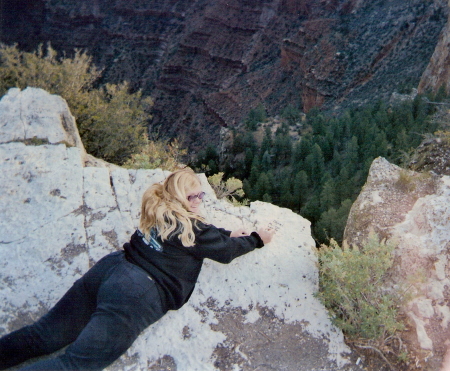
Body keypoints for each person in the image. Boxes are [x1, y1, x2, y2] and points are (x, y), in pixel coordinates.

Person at [0, 168, 274, 370]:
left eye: (200, 194)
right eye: (194, 196)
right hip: (136, 294)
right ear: (180, 197)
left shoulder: (159, 209)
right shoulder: (194, 228)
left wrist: (226, 233)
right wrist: (256, 240)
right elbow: (223, 251)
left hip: (112, 269)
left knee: (41, 335)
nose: (199, 200)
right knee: (75, 365)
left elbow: (198, 238)